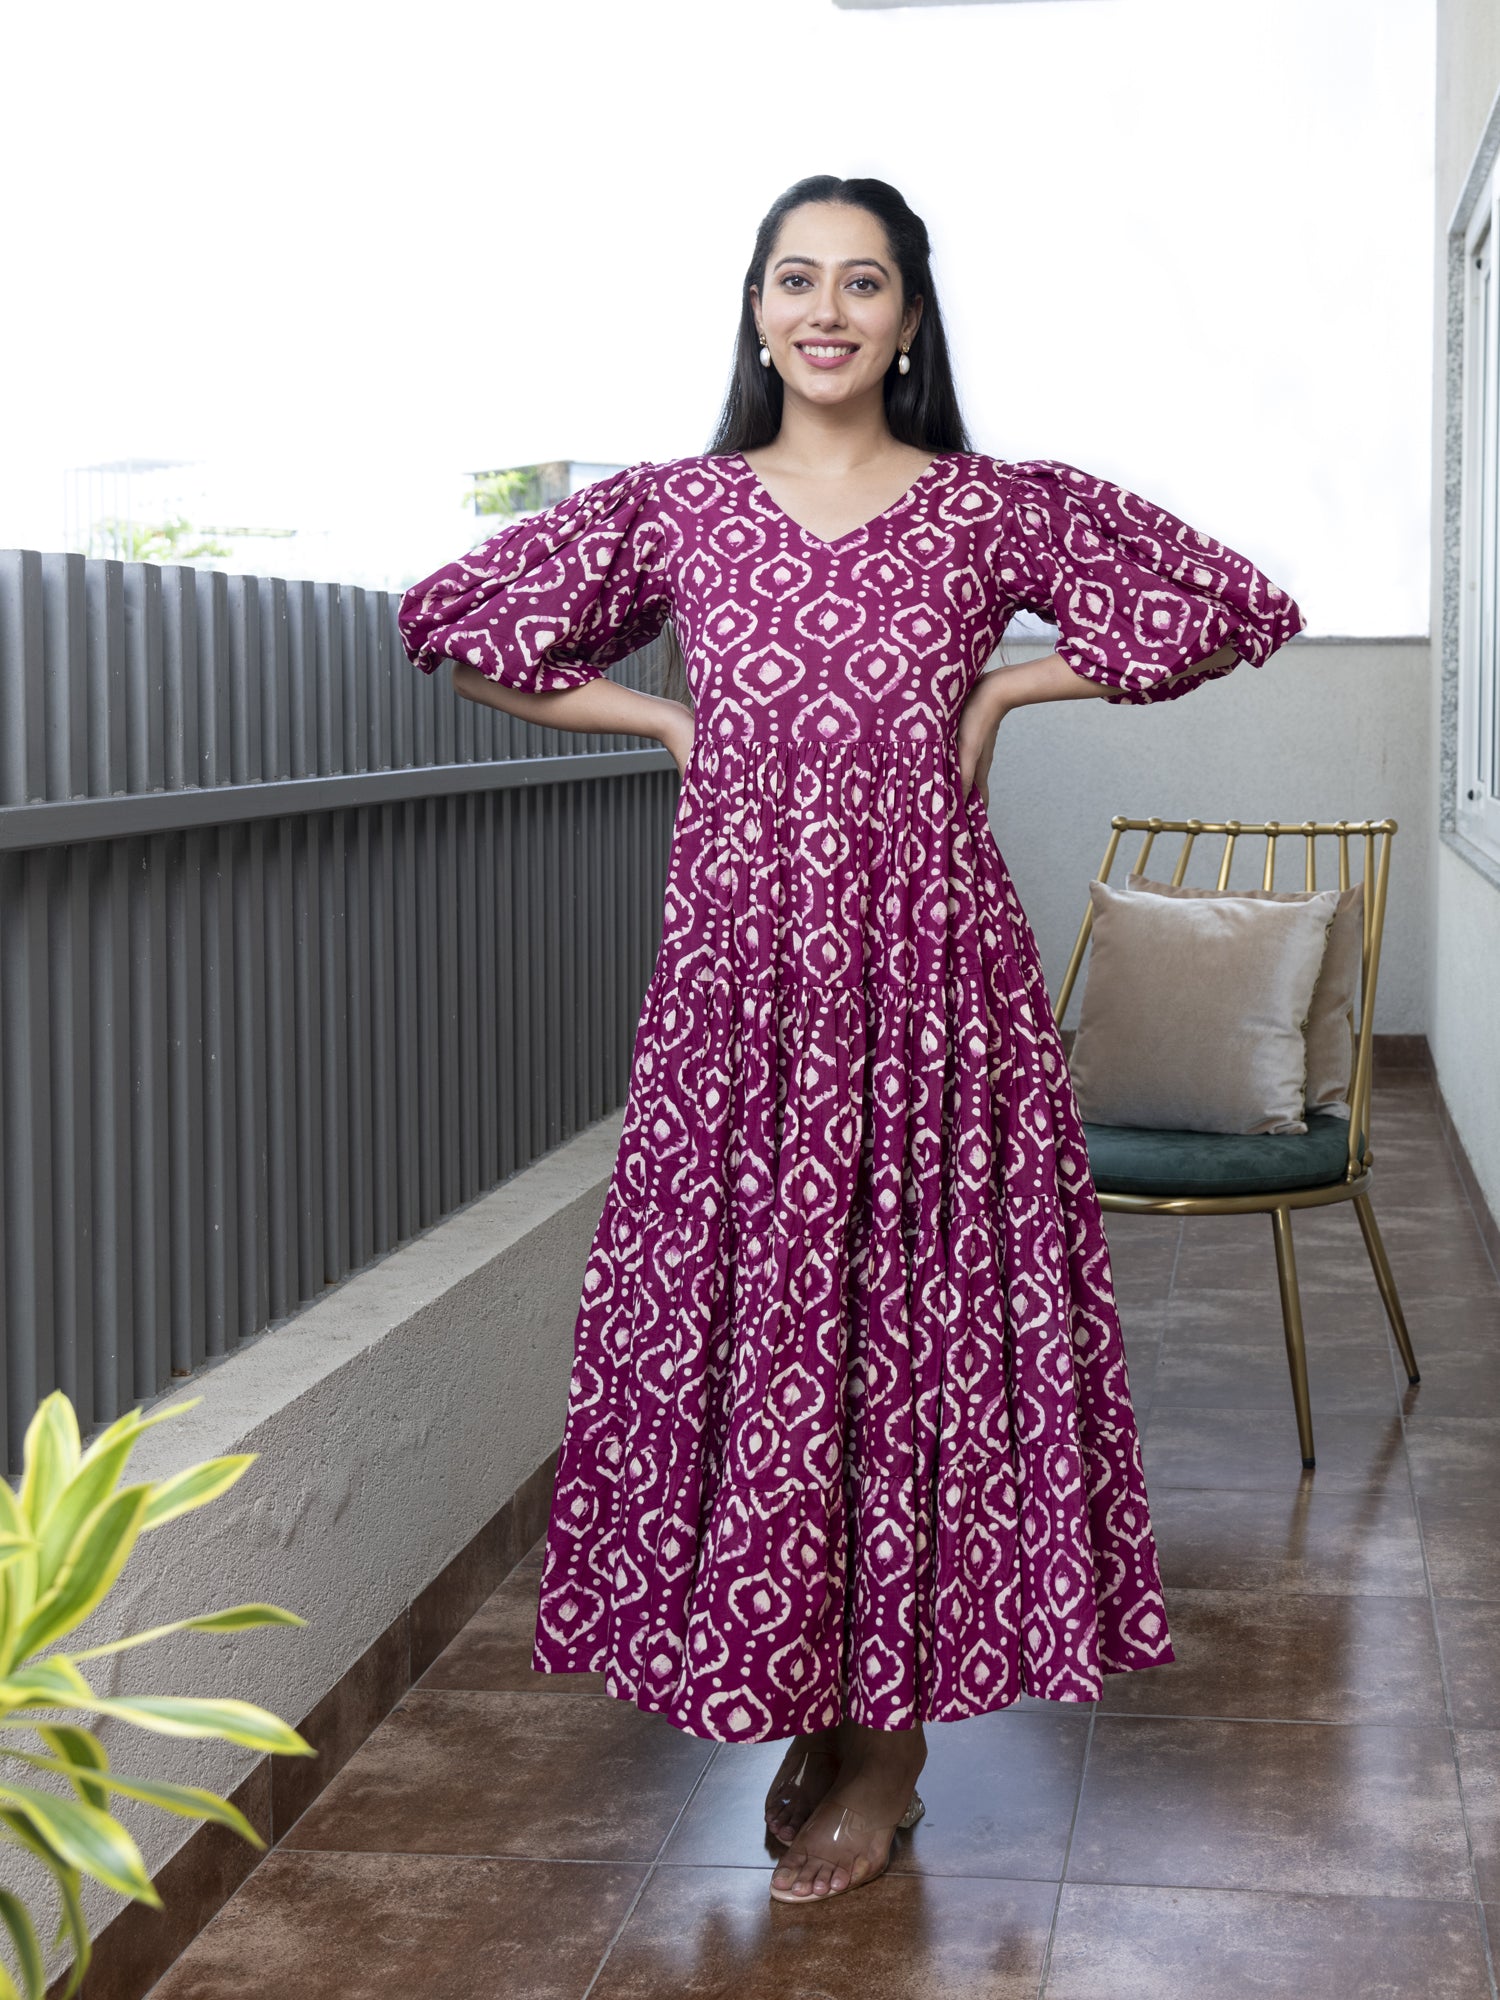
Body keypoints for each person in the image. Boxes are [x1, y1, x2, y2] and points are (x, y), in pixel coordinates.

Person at [396, 173, 1306, 1907]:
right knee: (774, 1328)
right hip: (738, 992)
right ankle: (817, 1688)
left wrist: (1007, 684)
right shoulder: (676, 508)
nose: (827, 310)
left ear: (909, 320)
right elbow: (459, 629)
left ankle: (890, 1747)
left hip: (935, 988)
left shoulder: (986, 507)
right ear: (755, 311)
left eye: (864, 283)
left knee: (915, 1329)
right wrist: (666, 720)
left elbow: (1229, 602)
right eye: (796, 278)